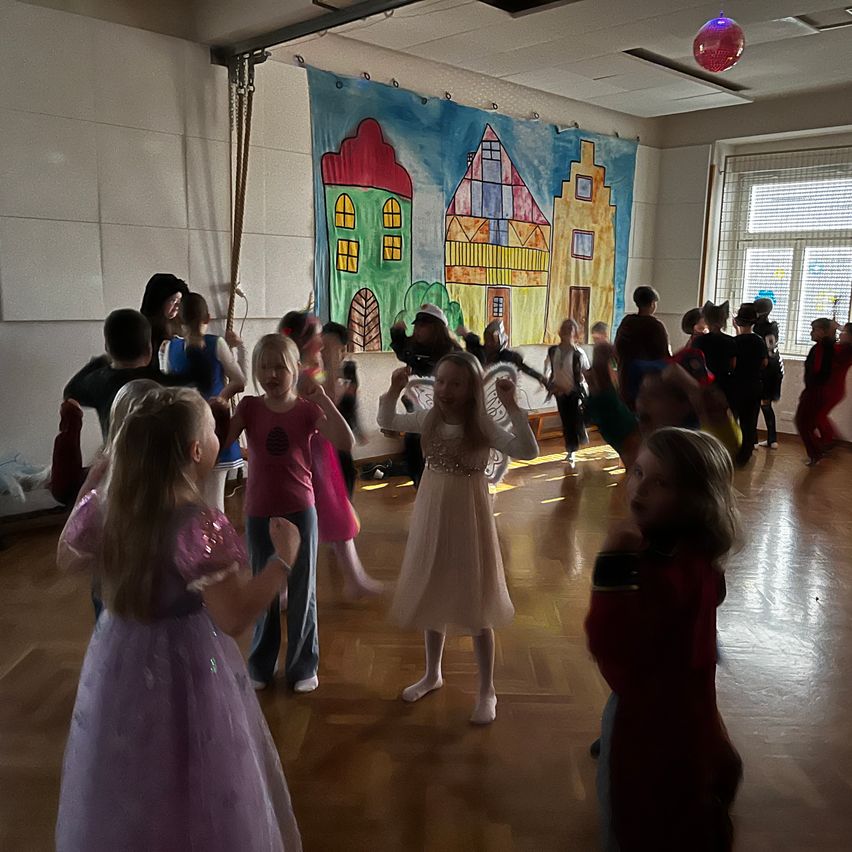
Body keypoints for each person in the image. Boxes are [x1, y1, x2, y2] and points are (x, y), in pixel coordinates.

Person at [55, 386, 302, 851]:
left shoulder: (111, 508)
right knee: (196, 765)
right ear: (196, 451)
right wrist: (282, 561)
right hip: (189, 664)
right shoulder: (197, 522)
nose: (217, 436)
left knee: (131, 767)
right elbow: (233, 617)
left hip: (117, 657)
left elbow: (66, 557)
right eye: (212, 431)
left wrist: (97, 482)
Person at [586, 428, 742, 851]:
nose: (639, 489)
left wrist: (612, 565)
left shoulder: (656, 567)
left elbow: (607, 641)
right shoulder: (698, 553)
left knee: (629, 815)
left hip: (644, 716)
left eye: (661, 482)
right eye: (638, 472)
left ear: (695, 500)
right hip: (691, 706)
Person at [378, 353, 538, 724]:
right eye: (440, 381)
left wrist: (513, 407)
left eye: (455, 383)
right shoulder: (429, 418)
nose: (445, 389)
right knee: (433, 588)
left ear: (471, 390)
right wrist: (393, 389)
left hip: (469, 515)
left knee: (476, 597)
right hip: (432, 512)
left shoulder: (481, 425)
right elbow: (387, 419)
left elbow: (528, 451)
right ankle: (432, 673)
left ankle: (487, 690)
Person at [226, 334, 354, 692]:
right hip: (259, 512)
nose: (271, 374)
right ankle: (261, 665)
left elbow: (346, 442)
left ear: (295, 370)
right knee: (263, 588)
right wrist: (220, 405)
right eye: (263, 367)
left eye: (279, 367)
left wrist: (324, 398)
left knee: (302, 590)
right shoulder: (249, 408)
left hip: (300, 510)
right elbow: (223, 441)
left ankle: (302, 666)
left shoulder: (306, 410)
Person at [280, 312, 382, 600]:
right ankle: (285, 586)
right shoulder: (297, 371)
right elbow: (322, 403)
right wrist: (332, 363)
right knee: (298, 521)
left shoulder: (314, 367)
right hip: (305, 455)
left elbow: (330, 401)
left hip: (322, 452)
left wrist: (332, 365)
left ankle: (355, 577)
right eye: (316, 334)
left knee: (336, 512)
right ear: (303, 340)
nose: (321, 339)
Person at [164, 292, 245, 511]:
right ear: (207, 318)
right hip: (213, 428)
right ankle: (217, 544)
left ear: (179, 319)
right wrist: (222, 396)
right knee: (215, 505)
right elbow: (240, 380)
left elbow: (169, 391)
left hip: (186, 429)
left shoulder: (170, 348)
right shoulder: (216, 343)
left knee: (189, 502)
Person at [390, 304, 461, 487]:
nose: (418, 330)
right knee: (413, 441)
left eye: (423, 325)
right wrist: (396, 333)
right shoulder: (414, 346)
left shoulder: (451, 351)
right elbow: (402, 350)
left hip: (442, 406)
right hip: (416, 403)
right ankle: (420, 482)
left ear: (436, 328)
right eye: (417, 325)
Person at [321, 321, 362, 499]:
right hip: (321, 439)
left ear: (343, 350)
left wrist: (359, 429)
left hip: (342, 436)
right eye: (324, 347)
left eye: (333, 348)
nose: (327, 353)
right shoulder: (316, 372)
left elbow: (351, 403)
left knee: (345, 476)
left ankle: (347, 510)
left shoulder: (349, 371)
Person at [613, 286, 670, 407]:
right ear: (652, 304)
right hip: (646, 382)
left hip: (625, 377)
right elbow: (663, 357)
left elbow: (617, 349)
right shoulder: (655, 326)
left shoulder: (627, 322)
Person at [546, 319, 590, 468]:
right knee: (566, 422)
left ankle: (576, 444)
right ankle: (571, 448)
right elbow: (550, 370)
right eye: (565, 328)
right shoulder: (553, 351)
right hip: (560, 393)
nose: (567, 331)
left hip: (574, 392)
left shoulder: (578, 353)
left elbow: (585, 372)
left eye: (570, 329)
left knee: (574, 419)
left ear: (575, 333)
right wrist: (550, 385)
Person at [460, 319, 550, 391]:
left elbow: (526, 369)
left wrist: (541, 378)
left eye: (493, 340)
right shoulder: (478, 351)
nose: (490, 344)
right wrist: (465, 334)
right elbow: (468, 338)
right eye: (488, 339)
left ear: (500, 340)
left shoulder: (509, 357)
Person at [795, 318, 839, 465]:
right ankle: (817, 451)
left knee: (802, 423)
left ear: (823, 332)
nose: (811, 333)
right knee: (806, 423)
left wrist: (811, 390)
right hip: (815, 390)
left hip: (816, 391)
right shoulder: (820, 347)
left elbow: (819, 371)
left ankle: (816, 453)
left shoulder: (824, 347)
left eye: (814, 329)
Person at [730, 303, 768, 466]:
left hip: (736, 385)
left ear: (737, 322)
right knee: (750, 421)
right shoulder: (759, 341)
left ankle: (731, 449)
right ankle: (745, 454)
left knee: (733, 419)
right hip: (753, 385)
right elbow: (765, 362)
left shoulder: (734, 342)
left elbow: (732, 363)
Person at [140, 272, 189, 371]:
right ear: (159, 302)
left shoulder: (180, 326)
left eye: (179, 301)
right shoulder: (142, 330)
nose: (177, 306)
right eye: (173, 301)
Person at [693, 301, 737, 406]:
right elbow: (733, 365)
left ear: (706, 319)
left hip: (704, 382)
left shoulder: (699, 341)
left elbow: (694, 362)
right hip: (724, 384)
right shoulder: (731, 341)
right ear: (724, 320)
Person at [758, 326, 784, 450]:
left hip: (764, 378)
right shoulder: (772, 330)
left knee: (761, 408)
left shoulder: (762, 331)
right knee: (766, 408)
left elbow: (765, 362)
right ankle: (771, 439)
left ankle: (757, 440)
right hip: (772, 377)